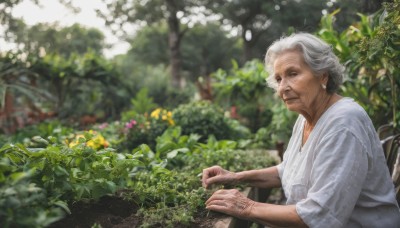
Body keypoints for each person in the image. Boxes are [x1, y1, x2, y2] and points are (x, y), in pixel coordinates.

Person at [201, 33, 400, 227]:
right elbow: (288, 171)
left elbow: (320, 215)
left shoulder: (343, 123)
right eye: (278, 79)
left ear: (323, 76)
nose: (283, 88)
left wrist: (247, 206)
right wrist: (237, 176)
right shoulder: (306, 116)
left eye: (292, 74)